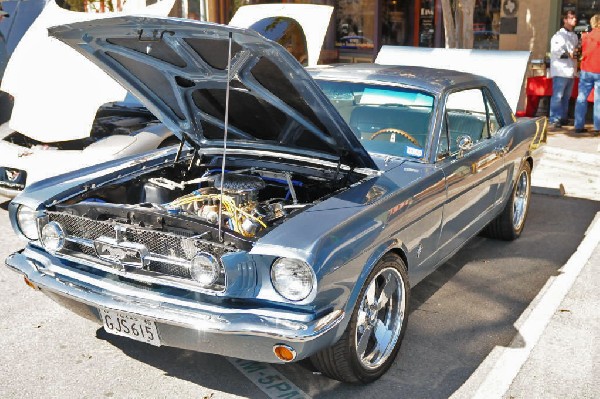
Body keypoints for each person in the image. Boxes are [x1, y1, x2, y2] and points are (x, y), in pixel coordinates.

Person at [549, 10, 579, 129]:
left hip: (571, 71)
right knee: (558, 96)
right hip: (561, 70)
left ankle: (563, 117)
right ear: (565, 20)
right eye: (571, 18)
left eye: (574, 18)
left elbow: (576, 51)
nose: (574, 20)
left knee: (566, 97)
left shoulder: (575, 36)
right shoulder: (558, 36)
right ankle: (554, 119)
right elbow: (556, 52)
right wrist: (570, 54)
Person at [574, 14, 600, 135]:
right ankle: (598, 127)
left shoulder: (585, 36)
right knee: (598, 100)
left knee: (581, 98)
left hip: (586, 70)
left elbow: (577, 53)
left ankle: (578, 125)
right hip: (599, 70)